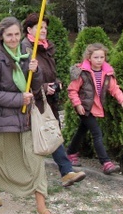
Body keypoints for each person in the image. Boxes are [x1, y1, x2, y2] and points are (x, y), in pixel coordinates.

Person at [0, 17, 59, 214]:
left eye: (17, 34)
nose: (14, 38)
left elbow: (35, 88)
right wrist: (18, 99)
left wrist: (36, 71)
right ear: (2, 37)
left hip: (27, 119)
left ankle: (41, 208)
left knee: (36, 161)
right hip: (4, 119)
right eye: (9, 35)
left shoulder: (27, 56)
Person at [22, 13, 86, 187]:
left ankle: (66, 172)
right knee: (34, 137)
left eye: (44, 27)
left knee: (53, 133)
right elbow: (23, 76)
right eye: (39, 27)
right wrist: (42, 87)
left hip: (48, 99)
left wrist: (56, 83)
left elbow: (49, 72)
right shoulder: (26, 47)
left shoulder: (46, 47)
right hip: (32, 101)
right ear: (29, 29)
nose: (43, 30)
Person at [66, 43, 123, 174]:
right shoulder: (82, 72)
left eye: (102, 57)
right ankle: (106, 163)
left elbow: (114, 89)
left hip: (94, 107)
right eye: (96, 57)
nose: (99, 60)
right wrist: (77, 104)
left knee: (82, 130)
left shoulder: (107, 73)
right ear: (89, 58)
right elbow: (72, 90)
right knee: (97, 133)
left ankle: (70, 153)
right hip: (84, 107)